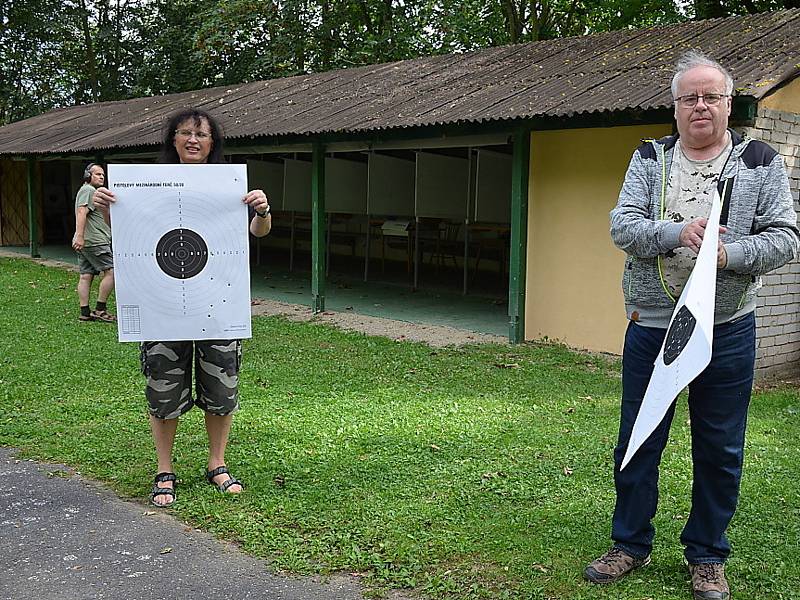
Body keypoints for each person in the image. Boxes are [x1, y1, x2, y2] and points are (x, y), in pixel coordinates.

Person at [584, 51, 798, 600]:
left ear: (730, 105)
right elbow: (622, 226)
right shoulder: (650, 158)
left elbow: (785, 238)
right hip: (653, 324)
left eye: (711, 96)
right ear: (675, 108)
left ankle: (706, 555)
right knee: (640, 436)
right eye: (688, 98)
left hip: (727, 327)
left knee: (720, 447)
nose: (699, 106)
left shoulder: (760, 160)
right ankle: (629, 544)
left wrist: (728, 255)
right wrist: (678, 233)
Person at [93, 108, 272, 507]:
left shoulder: (229, 187)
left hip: (217, 303)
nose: (193, 140)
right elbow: (130, 233)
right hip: (162, 305)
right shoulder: (146, 186)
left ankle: (217, 464)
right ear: (172, 139)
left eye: (201, 134)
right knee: (163, 388)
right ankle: (164, 470)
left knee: (221, 389)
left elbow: (257, 232)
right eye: (185, 133)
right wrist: (108, 207)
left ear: (213, 143)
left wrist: (261, 211)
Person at [72, 163, 116, 322]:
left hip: (87, 242)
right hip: (95, 241)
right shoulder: (89, 191)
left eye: (103, 175)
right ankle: (100, 309)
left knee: (85, 275)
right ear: (87, 176)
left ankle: (85, 312)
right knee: (112, 272)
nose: (101, 177)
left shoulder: (89, 191)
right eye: (97, 174)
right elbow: (81, 212)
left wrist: (80, 237)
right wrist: (79, 235)